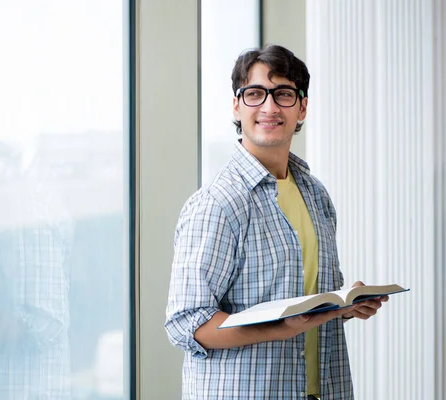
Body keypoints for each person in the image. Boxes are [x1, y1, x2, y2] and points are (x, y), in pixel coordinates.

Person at [164, 44, 389, 400]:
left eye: (283, 94)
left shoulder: (315, 195)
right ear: (237, 106)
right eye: (254, 94)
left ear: (302, 108)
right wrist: (279, 328)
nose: (269, 107)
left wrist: (344, 306)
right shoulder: (219, 203)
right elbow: (186, 325)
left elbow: (311, 300)